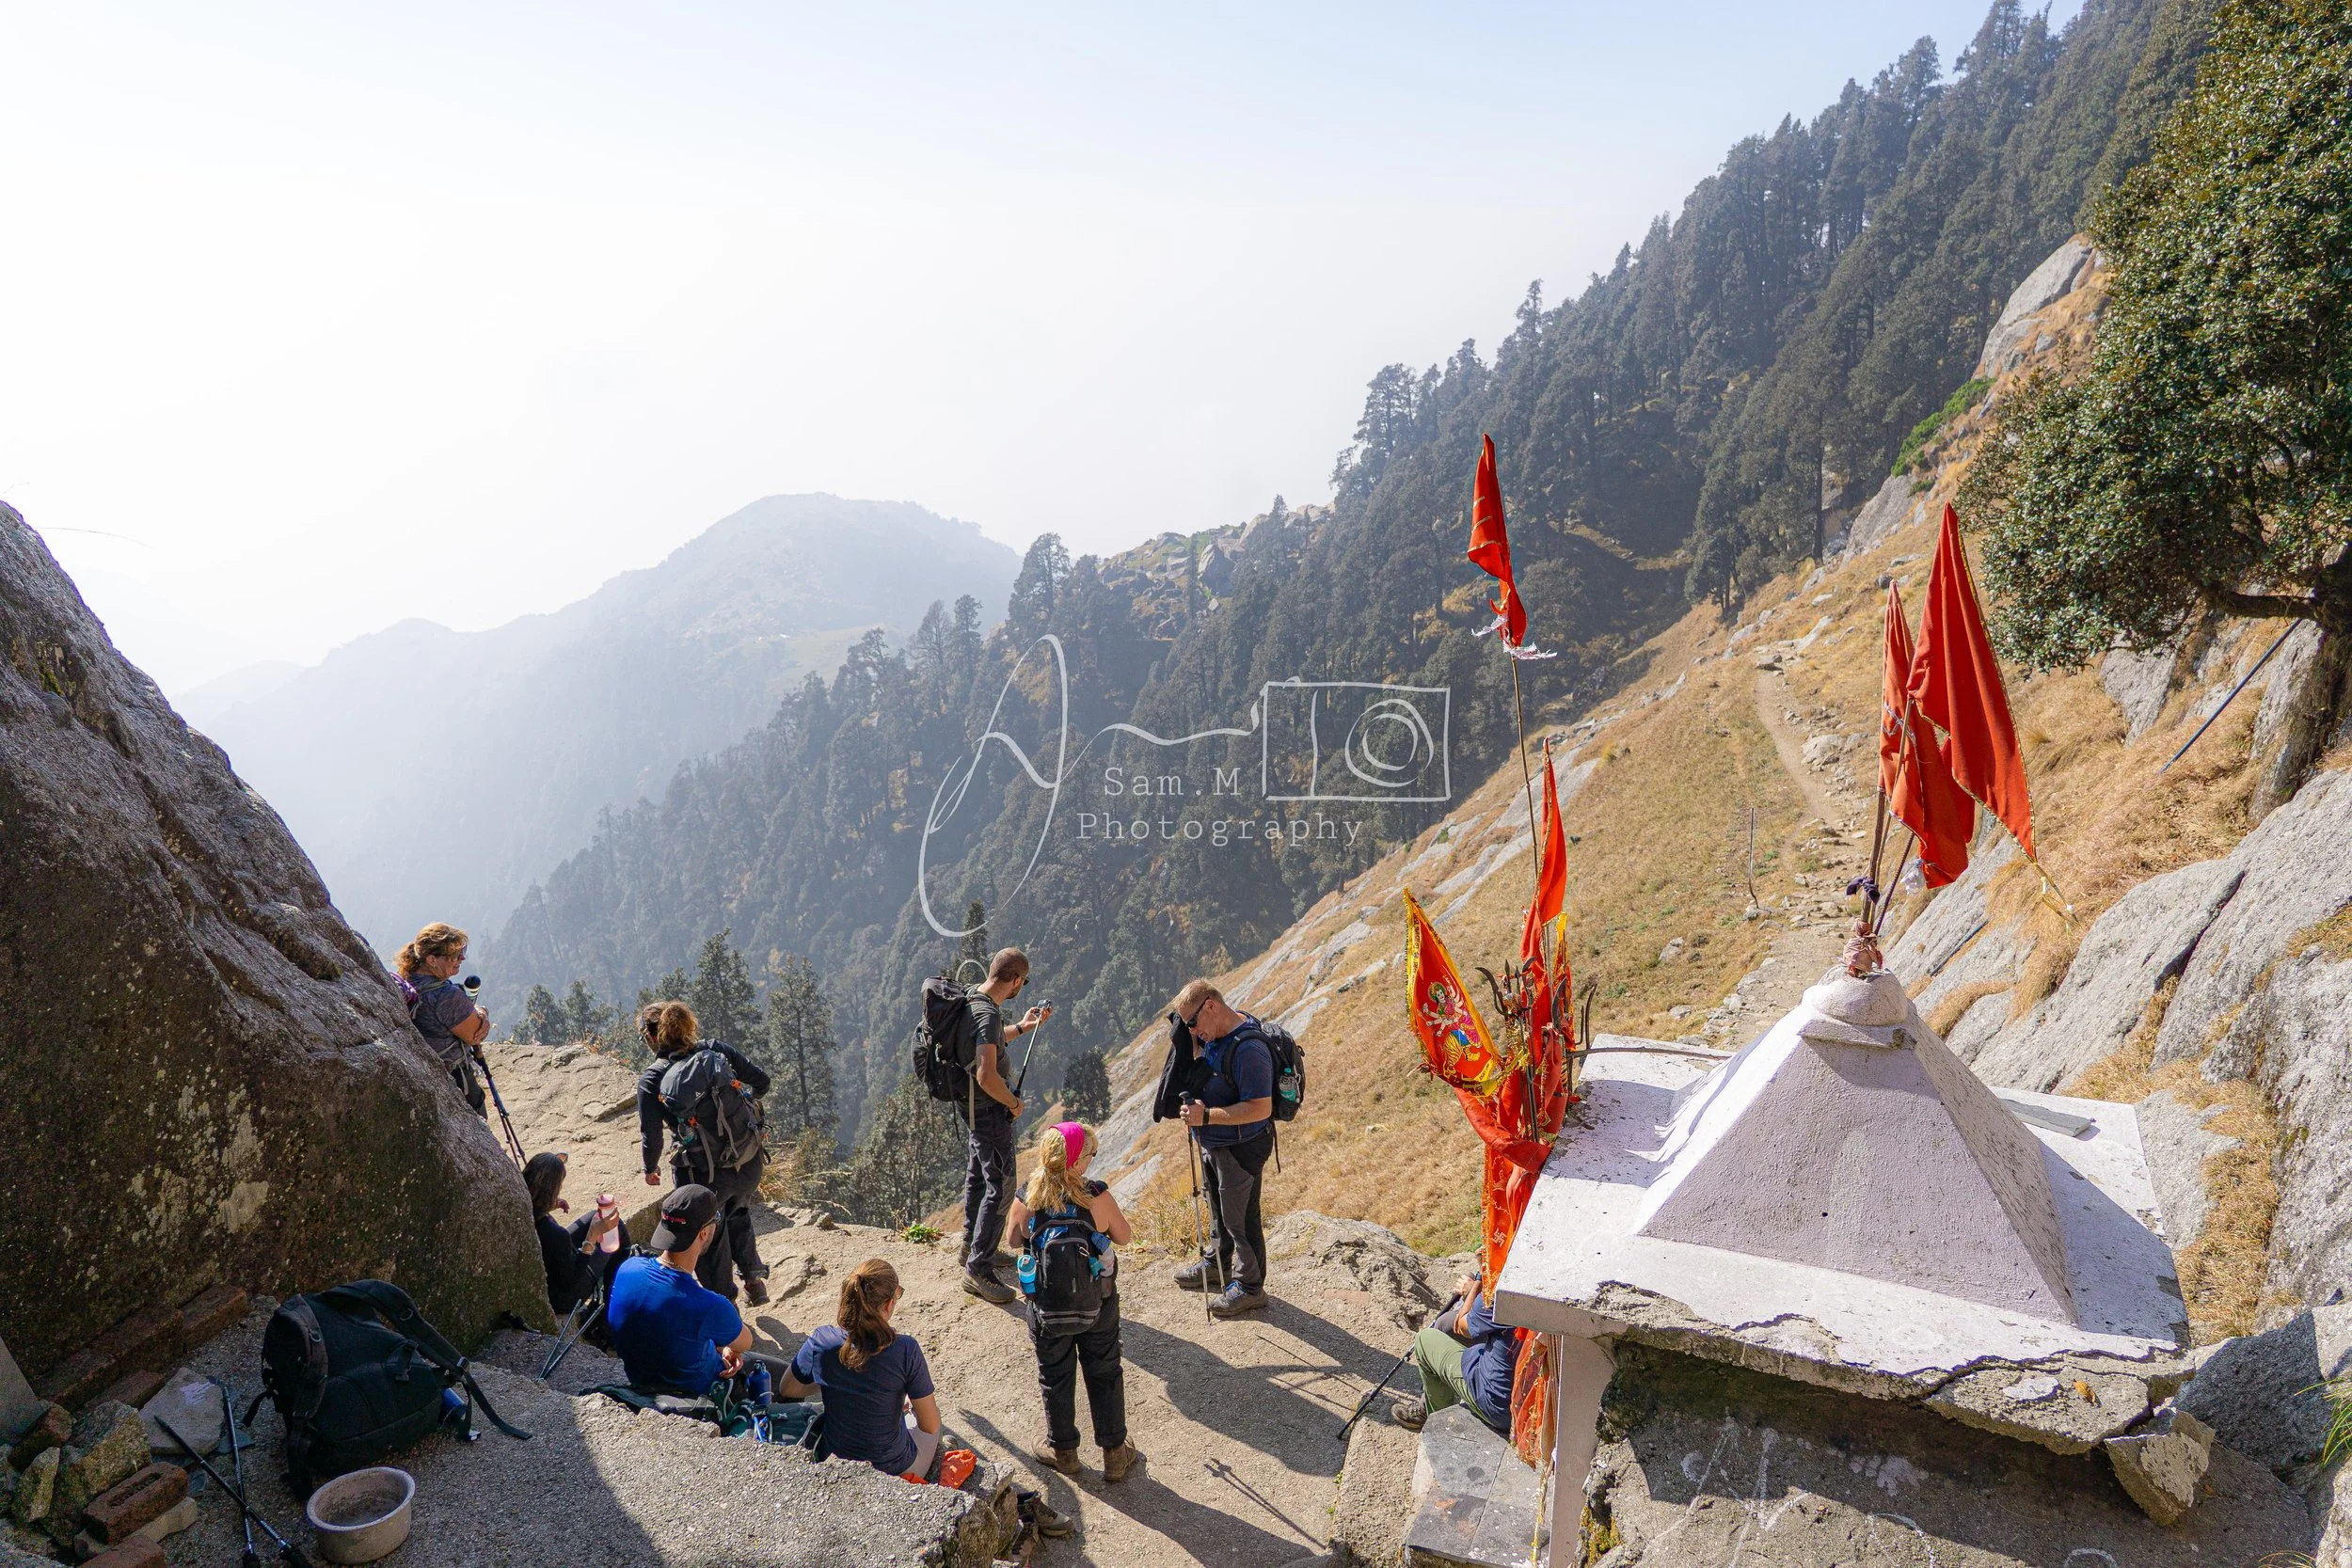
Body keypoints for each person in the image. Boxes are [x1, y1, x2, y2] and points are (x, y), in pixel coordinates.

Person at [1005, 1121, 1143, 1483]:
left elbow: (1011, 1240)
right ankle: (1114, 1453)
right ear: (1077, 1163)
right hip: (1098, 1301)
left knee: (1054, 1374)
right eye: (1089, 1155)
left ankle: (1063, 1451)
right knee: (1105, 1369)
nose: (1091, 1162)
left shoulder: (1026, 1198)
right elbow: (1125, 1237)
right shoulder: (1096, 1196)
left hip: (1047, 1306)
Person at [635, 1001, 773, 1305]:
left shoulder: (652, 1079)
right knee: (738, 1209)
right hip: (747, 1160)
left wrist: (650, 1168)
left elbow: (652, 1135)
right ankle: (753, 1280)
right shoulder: (716, 1051)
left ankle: (725, 1306)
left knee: (708, 1236)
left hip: (703, 1174)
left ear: (652, 1037)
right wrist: (747, 1107)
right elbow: (761, 1080)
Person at [780, 1259, 944, 1480]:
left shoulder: (823, 1340)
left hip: (834, 1459)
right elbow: (930, 1425)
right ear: (888, 1304)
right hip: (892, 1468)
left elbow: (788, 1388)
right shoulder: (906, 1349)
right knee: (931, 1418)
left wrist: (834, 1379)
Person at [1170, 979, 1275, 1318]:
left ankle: (1249, 1288)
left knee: (1241, 1219)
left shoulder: (1249, 1050)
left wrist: (1207, 1115)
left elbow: (1261, 1107)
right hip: (1215, 1143)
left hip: (1241, 1148)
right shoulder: (1216, 1033)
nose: (1192, 1030)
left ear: (1211, 1005)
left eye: (1192, 1022)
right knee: (1218, 1211)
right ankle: (1218, 1267)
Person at [956, 948, 1051, 1305]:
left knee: (979, 1174)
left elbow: (988, 1045)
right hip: (989, 1110)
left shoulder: (973, 999)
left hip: (970, 1108)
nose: (1021, 988)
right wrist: (1013, 1103)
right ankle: (977, 1269)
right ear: (1013, 979)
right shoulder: (987, 1016)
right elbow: (986, 1074)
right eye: (1022, 982)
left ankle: (971, 1244)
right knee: (1003, 1185)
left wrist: (1024, 1027)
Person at [606, 1184, 760, 1401]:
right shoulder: (710, 1305)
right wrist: (725, 1346)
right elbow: (744, 1343)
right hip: (701, 1393)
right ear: (704, 1232)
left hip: (642, 1383)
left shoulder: (628, 1269)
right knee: (775, 1374)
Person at [1389, 1267, 1516, 1434]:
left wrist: (1476, 1283)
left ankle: (1438, 1424)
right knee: (1444, 1325)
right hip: (1527, 1378)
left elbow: (1462, 1325)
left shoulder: (1502, 1289)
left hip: (1501, 1406)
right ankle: (1428, 1402)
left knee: (1424, 1339)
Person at [396, 922, 489, 1115]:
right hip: (456, 1077)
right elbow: (475, 1035)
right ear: (432, 960)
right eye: (454, 955)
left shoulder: (407, 980)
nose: (462, 958)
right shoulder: (446, 996)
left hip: (428, 1074)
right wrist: (482, 1013)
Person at [525, 1151, 628, 1321]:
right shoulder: (557, 1235)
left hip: (549, 1262)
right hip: (563, 1297)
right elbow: (569, 1282)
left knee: (595, 1215)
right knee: (615, 1229)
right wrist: (591, 1237)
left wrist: (549, 1204)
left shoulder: (523, 1206)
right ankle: (611, 1307)